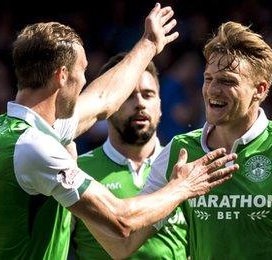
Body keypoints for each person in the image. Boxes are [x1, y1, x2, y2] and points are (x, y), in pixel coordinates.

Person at [0, 4, 238, 259]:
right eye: (83, 71)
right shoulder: (35, 146)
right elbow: (120, 221)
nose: (84, 81)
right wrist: (182, 187)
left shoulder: (13, 128)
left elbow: (103, 99)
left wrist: (148, 44)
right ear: (62, 76)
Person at [91, 21, 272, 260]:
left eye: (227, 81)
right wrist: (72, 185)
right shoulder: (180, 152)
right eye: (208, 79)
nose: (213, 90)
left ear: (259, 90)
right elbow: (122, 245)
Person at [71, 53, 187, 259]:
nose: (140, 103)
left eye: (148, 94)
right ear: (108, 106)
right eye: (129, 95)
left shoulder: (183, 170)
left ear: (160, 106)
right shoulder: (76, 171)